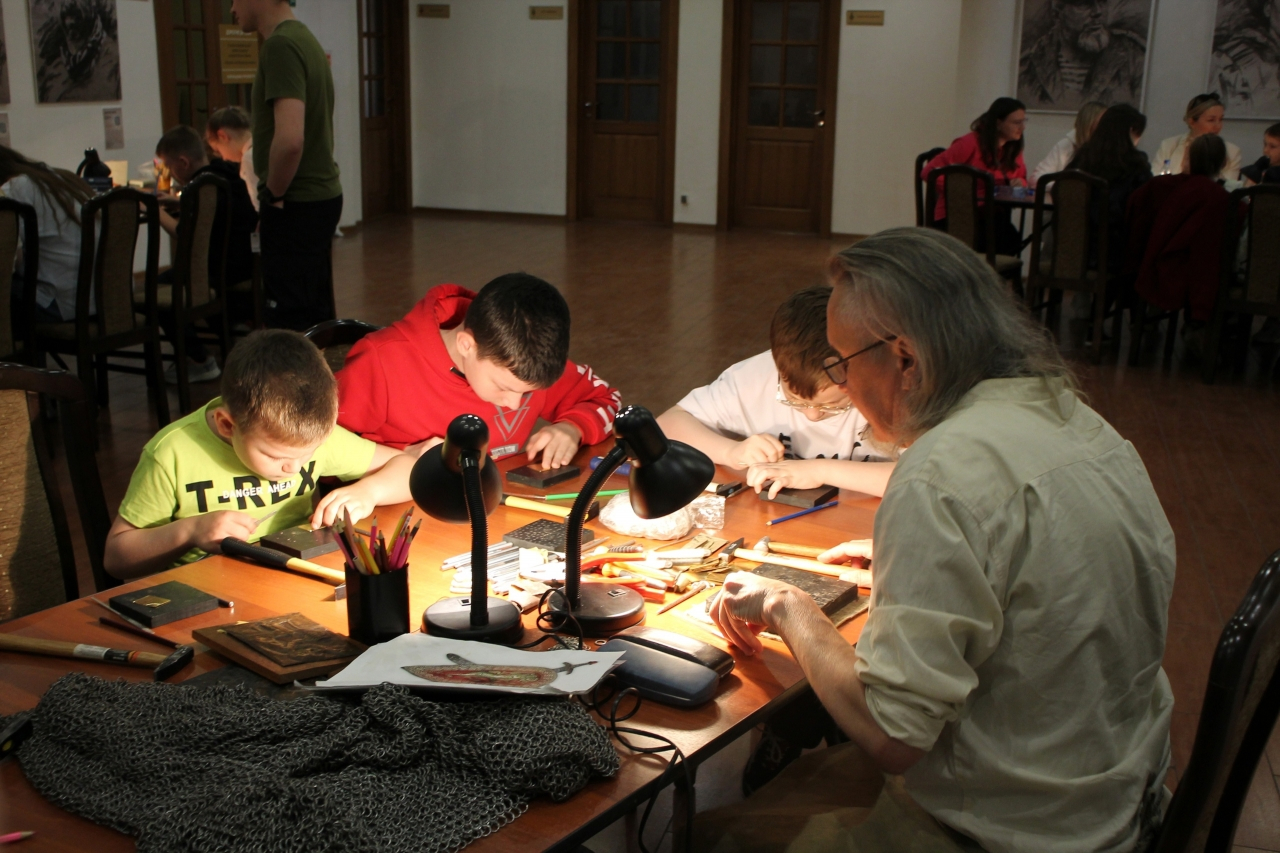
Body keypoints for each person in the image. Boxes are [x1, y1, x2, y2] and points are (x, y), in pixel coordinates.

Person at [698, 227, 1175, 853]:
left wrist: (787, 605)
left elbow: (893, 736)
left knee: (704, 835)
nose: (845, 385)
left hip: (1011, 831)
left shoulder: (940, 473)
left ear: (904, 358)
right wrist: (926, 559)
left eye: (842, 362)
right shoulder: (1079, 422)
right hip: (1120, 795)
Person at [104, 329, 415, 580]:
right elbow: (116, 558)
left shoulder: (310, 435)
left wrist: (368, 492)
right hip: (205, 592)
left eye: (309, 454)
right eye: (274, 457)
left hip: (291, 580)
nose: (294, 468)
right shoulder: (172, 454)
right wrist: (190, 531)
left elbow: (410, 468)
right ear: (228, 425)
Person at [335, 274, 621, 465]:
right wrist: (401, 456)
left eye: (527, 393)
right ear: (466, 345)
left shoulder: (526, 361)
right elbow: (321, 445)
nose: (514, 404)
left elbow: (608, 400)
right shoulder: (381, 362)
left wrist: (572, 428)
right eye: (504, 388)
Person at [657, 284, 894, 499]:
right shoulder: (755, 377)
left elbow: (918, 479)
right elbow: (666, 425)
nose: (812, 415)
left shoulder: (892, 389)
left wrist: (820, 471)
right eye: (795, 400)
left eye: (832, 404)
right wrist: (731, 451)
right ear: (778, 368)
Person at [231, 0, 342, 331]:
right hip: (317, 197)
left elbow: (291, 140)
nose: (232, 8)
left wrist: (274, 197)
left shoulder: (280, 45)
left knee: (288, 321)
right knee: (314, 315)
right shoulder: (304, 39)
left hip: (296, 201)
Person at [153, 124, 260, 383]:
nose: (170, 174)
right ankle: (232, 339)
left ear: (183, 162)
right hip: (246, 265)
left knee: (156, 289)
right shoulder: (228, 174)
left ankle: (199, 359)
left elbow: (183, 235)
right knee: (193, 284)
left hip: (220, 273)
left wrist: (155, 211)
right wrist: (180, 202)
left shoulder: (198, 188)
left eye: (168, 167)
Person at [0, 144, 95, 324]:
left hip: (63, 304)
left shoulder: (15, 188)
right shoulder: (61, 177)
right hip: (103, 297)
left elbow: (11, 259)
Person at [921, 98, 1027, 256]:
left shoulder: (1013, 149)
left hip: (992, 215)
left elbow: (1022, 177)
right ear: (998, 123)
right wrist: (963, 192)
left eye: (1024, 122)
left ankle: (996, 271)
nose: (1022, 127)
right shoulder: (969, 143)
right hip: (958, 217)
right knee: (1003, 240)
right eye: (1016, 122)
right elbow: (929, 172)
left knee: (1011, 239)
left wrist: (1020, 183)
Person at [1065, 103, 1152, 277]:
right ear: (1131, 131)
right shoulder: (1135, 164)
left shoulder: (1083, 157)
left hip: (1072, 250)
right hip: (1115, 254)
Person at [1018, 0, 1147, 111]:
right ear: (1057, 14)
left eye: (1102, 1)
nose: (1098, 11)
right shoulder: (1028, 66)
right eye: (1084, 3)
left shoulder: (1134, 58)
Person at [1152, 93, 1243, 180]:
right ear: (1192, 122)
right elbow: (1154, 179)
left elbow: (1227, 186)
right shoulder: (1169, 146)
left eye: (1220, 119)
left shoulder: (1232, 152)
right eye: (1211, 120)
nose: (1218, 126)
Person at [1029, 100, 1106, 186]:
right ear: (1088, 123)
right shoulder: (1066, 145)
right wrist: (1063, 187)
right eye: (1102, 122)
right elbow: (1036, 179)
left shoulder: (1107, 148)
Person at [205, 106, 259, 212]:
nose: (224, 158)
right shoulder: (264, 145)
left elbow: (260, 205)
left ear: (223, 136)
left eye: (218, 150)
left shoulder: (249, 158)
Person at [1240, 121, 1280, 185]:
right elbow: (1246, 190)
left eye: (1272, 146)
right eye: (1265, 144)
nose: (1265, 150)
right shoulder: (1263, 168)